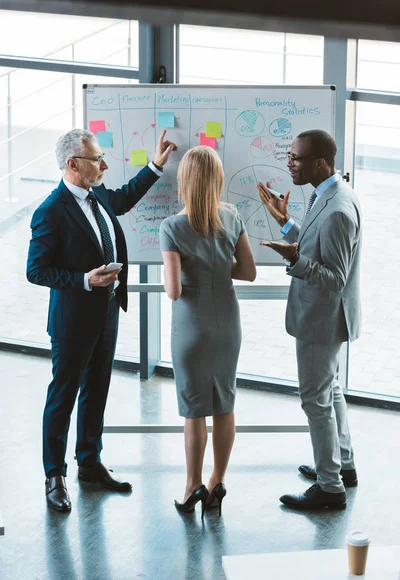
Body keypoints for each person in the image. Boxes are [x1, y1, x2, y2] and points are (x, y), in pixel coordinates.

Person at [27, 128, 177, 513]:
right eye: (97, 160)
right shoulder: (50, 211)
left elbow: (125, 198)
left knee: (96, 390)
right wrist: (82, 280)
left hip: (106, 313)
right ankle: (54, 476)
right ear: (73, 164)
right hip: (72, 321)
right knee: (62, 398)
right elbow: (36, 270)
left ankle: (89, 463)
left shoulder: (99, 197)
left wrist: (156, 165)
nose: (105, 165)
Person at [257, 129, 361, 510]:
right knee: (330, 391)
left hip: (322, 318)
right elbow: (316, 243)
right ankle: (343, 467)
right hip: (323, 317)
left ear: (320, 162)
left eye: (296, 158)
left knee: (315, 400)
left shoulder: (337, 209)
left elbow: (334, 278)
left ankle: (330, 487)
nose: (289, 163)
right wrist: (286, 223)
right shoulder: (330, 193)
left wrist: (294, 260)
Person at [160, 146, 256, 517]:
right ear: (217, 179)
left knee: (194, 410)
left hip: (191, 326)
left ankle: (191, 486)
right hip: (227, 324)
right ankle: (217, 482)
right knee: (224, 405)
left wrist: (190, 267)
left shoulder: (172, 226)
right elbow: (247, 272)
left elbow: (173, 291)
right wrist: (216, 268)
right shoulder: (232, 216)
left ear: (184, 180)